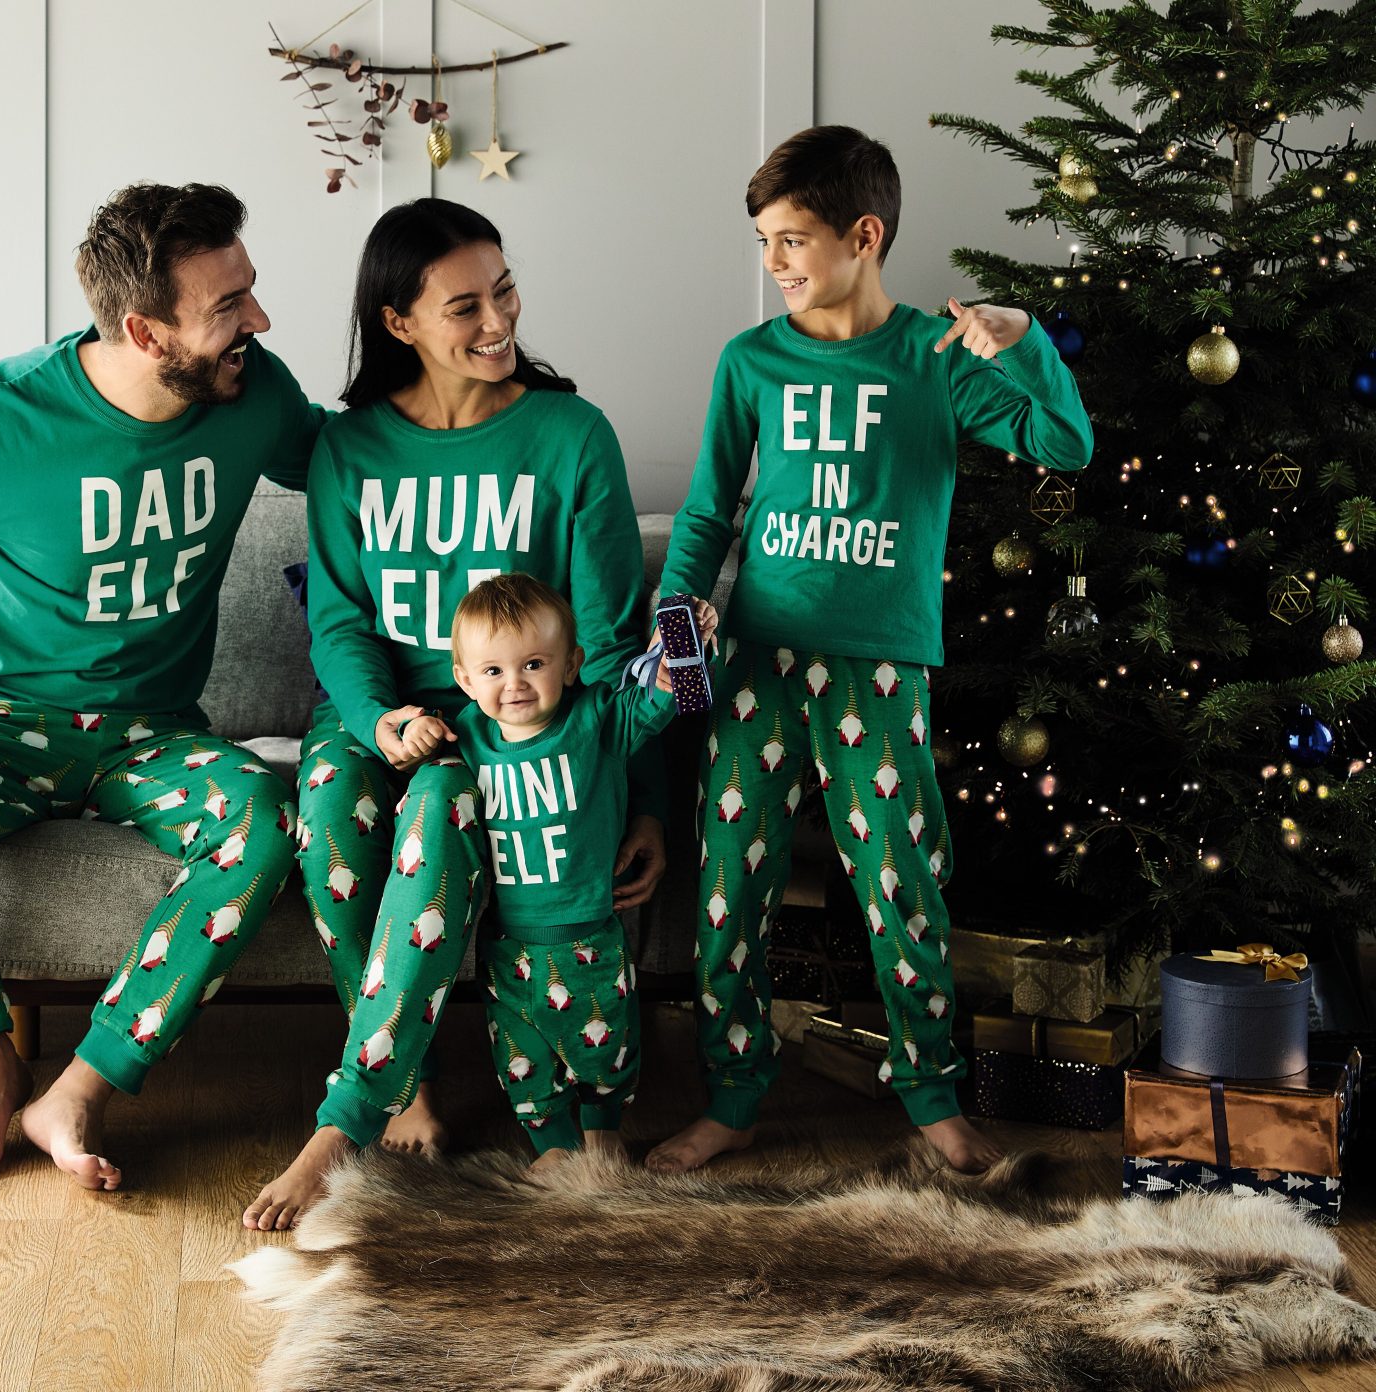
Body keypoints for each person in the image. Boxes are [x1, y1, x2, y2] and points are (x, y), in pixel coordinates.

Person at [0, 182, 323, 1191]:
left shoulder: (252, 391)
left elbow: (354, 463)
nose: (256, 321)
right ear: (143, 328)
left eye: (248, 292)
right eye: (227, 307)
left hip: (152, 733)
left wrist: (496, 414)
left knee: (261, 815)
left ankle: (80, 1088)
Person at [645, 126, 1093, 1177]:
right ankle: (732, 1097)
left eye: (791, 239)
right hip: (757, 659)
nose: (774, 263)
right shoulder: (750, 360)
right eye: (762, 241)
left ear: (863, 234)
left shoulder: (932, 361)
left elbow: (1064, 446)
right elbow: (709, 512)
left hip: (879, 666)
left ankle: (931, 1097)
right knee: (726, 892)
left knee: (901, 882)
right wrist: (678, 620)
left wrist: (1017, 334)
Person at [244, 198, 666, 1230]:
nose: (497, 321)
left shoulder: (569, 436)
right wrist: (380, 719)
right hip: (380, 710)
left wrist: (636, 798)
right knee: (330, 815)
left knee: (435, 813)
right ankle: (408, 1080)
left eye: (504, 290)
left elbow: (610, 642)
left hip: (515, 723)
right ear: (396, 322)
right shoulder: (348, 449)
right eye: (463, 305)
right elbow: (339, 620)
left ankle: (340, 1121)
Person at [446, 574, 679, 1169]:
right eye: (493, 671)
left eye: (533, 664)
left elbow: (665, 698)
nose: (515, 683)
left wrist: (680, 631)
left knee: (609, 1043)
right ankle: (551, 1145)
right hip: (505, 938)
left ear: (571, 664)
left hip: (588, 931)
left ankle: (602, 1131)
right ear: (466, 679)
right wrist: (413, 734)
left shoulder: (596, 720)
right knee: (520, 1054)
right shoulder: (467, 735)